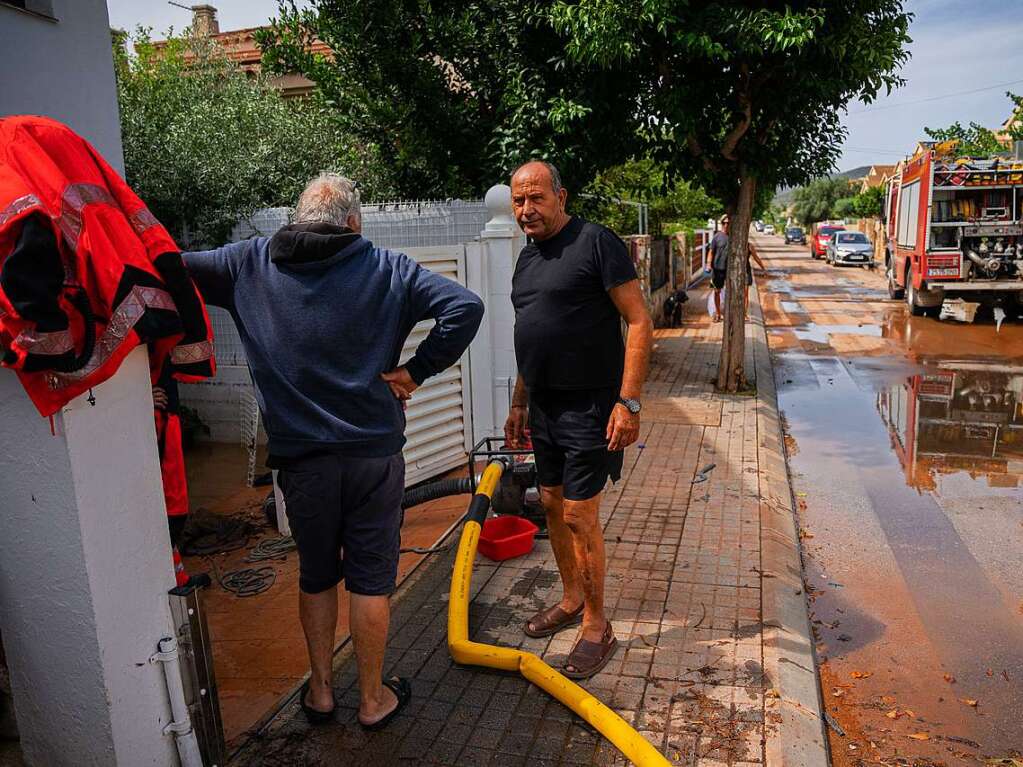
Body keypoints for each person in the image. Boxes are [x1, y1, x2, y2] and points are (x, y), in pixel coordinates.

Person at [182, 173, 484, 729]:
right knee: (372, 580)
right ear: (352, 223)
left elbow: (167, 266)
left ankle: (321, 693)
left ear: (299, 218)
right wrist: (415, 371)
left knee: (317, 575)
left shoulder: (247, 263)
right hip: (373, 456)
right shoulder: (388, 269)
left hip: (301, 463)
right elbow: (465, 307)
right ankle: (372, 701)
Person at [504, 161, 653, 678]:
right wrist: (520, 402)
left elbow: (638, 319)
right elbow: (531, 333)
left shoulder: (596, 243)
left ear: (560, 196)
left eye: (536, 198)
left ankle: (596, 626)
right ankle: (570, 598)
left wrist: (628, 402)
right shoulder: (526, 260)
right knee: (548, 501)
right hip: (543, 404)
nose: (527, 210)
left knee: (577, 513)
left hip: (591, 406)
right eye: (519, 201)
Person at [704, 215, 766, 321]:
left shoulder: (734, 237)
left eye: (728, 223)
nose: (726, 225)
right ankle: (718, 314)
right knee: (717, 291)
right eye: (724, 223)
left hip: (730, 269)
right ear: (721, 224)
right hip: (718, 268)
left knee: (733, 292)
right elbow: (711, 251)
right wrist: (708, 264)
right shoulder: (716, 237)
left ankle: (732, 314)